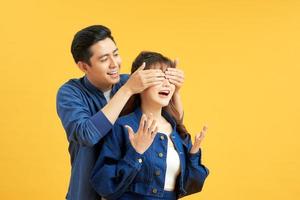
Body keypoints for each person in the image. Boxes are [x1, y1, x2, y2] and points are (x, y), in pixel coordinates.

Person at [56, 25, 185, 200]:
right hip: (86, 193)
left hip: (124, 191)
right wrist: (127, 90)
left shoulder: (129, 82)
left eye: (115, 54)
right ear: (84, 66)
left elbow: (171, 122)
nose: (114, 64)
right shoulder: (70, 93)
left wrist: (174, 89)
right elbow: (86, 134)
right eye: (103, 59)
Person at [90, 51, 209, 200]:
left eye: (169, 78)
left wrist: (193, 155)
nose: (166, 84)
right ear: (141, 82)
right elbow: (103, 185)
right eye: (159, 77)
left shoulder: (176, 131)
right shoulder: (123, 126)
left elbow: (191, 186)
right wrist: (136, 152)